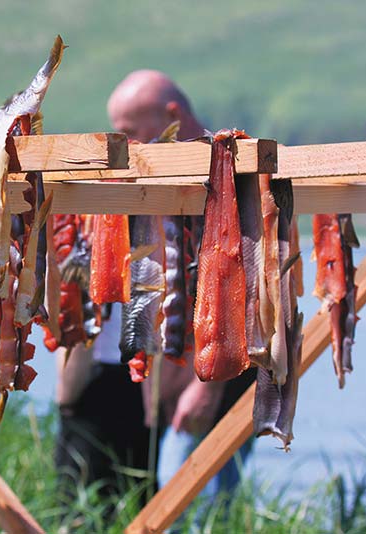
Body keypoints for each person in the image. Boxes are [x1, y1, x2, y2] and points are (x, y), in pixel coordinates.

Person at [54, 70, 255, 508]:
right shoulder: (127, 172)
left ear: (172, 115)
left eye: (128, 130)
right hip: (129, 372)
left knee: (193, 503)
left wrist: (210, 386)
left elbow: (244, 289)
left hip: (209, 374)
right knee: (107, 499)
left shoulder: (236, 173)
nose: (122, 142)